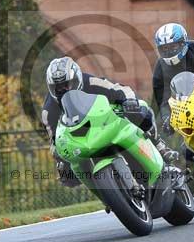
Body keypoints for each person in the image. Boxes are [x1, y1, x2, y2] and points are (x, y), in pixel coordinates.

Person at [41, 56, 178, 187]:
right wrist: (58, 154)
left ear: (77, 78)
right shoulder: (48, 111)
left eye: (66, 85)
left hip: (107, 119)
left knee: (140, 109)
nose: (63, 90)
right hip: (82, 138)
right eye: (57, 87)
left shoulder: (90, 81)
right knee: (65, 169)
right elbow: (53, 139)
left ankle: (159, 145)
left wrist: (129, 101)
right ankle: (103, 188)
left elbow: (119, 88)